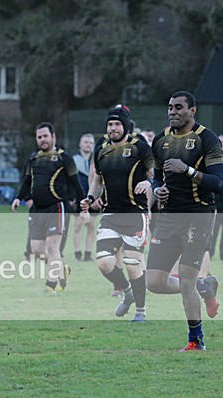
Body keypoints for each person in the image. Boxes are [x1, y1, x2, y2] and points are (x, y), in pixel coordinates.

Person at [147, 91, 223, 351]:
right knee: (154, 283)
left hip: (198, 215)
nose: (173, 112)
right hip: (169, 216)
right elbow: (158, 177)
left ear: (193, 110)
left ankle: (196, 341)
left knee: (185, 279)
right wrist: (157, 189)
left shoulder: (207, 139)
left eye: (179, 107)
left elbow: (219, 182)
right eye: (170, 107)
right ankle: (204, 287)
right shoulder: (160, 140)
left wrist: (189, 170)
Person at [81, 105, 153, 322]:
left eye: (117, 124)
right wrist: (90, 198)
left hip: (135, 213)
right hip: (111, 214)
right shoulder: (101, 149)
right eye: (110, 124)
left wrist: (148, 182)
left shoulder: (140, 146)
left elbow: (155, 174)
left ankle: (140, 311)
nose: (113, 128)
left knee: (132, 265)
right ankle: (127, 292)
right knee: (104, 261)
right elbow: (97, 181)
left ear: (126, 126)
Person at [11, 122, 82, 292]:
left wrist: (83, 206)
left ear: (53, 137)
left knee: (52, 247)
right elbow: (27, 181)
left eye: (45, 136)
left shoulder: (64, 158)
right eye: (39, 137)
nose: (42, 140)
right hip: (37, 210)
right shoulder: (33, 159)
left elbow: (76, 183)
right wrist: (18, 198)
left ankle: (50, 284)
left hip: (56, 207)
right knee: (37, 250)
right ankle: (62, 269)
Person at [72, 133, 97, 261]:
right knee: (78, 226)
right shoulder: (74, 161)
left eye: (91, 143)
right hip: (78, 198)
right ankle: (77, 253)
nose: (88, 145)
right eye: (86, 142)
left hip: (92, 198)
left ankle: (88, 253)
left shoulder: (96, 160)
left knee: (91, 227)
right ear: (80, 144)